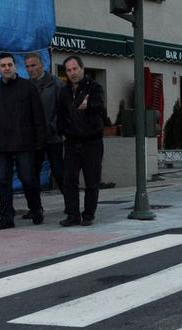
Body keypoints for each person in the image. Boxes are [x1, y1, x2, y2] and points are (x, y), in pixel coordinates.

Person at [0, 53, 48, 230]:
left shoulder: (28, 88)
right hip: (1, 145)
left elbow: (38, 116)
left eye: (9, 64)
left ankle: (36, 209)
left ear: (15, 66)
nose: (7, 68)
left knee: (28, 179)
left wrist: (40, 141)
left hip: (25, 144)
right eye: (3, 65)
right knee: (3, 181)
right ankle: (7, 218)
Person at [57, 55, 105, 227]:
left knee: (92, 180)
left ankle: (88, 215)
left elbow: (100, 106)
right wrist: (62, 131)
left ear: (82, 68)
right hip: (71, 141)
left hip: (91, 141)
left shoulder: (94, 87)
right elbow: (60, 114)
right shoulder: (63, 91)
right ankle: (72, 215)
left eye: (75, 68)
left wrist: (88, 105)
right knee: (69, 180)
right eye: (69, 70)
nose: (72, 73)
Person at [24, 53, 64, 203]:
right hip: (34, 140)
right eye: (27, 66)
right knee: (31, 174)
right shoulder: (26, 86)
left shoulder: (56, 83)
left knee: (59, 172)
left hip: (53, 137)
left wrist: (53, 127)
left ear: (42, 65)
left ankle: (71, 207)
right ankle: (35, 209)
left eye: (33, 65)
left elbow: (63, 108)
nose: (30, 69)